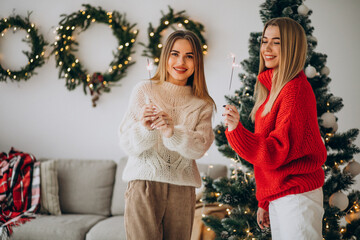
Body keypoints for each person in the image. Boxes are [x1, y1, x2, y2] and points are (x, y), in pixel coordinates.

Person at [223, 17, 327, 239]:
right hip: (282, 195)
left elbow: (276, 150)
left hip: (297, 197)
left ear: (291, 47)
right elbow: (270, 160)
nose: (266, 49)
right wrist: (265, 199)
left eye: (276, 42)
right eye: (264, 41)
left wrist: (236, 131)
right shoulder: (272, 90)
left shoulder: (295, 89)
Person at [118, 30, 215, 240]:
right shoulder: (144, 90)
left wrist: (173, 133)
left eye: (189, 56)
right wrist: (146, 129)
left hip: (182, 189)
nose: (181, 61)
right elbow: (126, 142)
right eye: (174, 54)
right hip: (144, 185)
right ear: (165, 58)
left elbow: (200, 147)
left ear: (197, 61)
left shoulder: (203, 104)